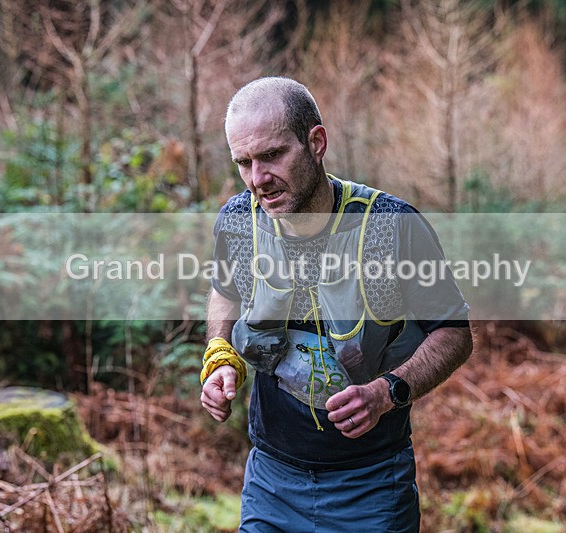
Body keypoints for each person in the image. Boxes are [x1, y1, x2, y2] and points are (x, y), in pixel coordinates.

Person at [200, 76, 472, 532]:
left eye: (271, 156)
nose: (257, 180)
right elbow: (224, 292)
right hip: (270, 481)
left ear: (316, 142)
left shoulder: (393, 227)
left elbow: (455, 335)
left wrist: (386, 394)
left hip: (372, 487)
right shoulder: (237, 221)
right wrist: (219, 352)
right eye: (243, 163)